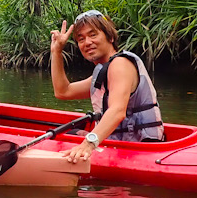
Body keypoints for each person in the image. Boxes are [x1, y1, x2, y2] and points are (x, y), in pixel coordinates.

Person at [50, 9, 163, 163]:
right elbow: (63, 91)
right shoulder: (104, 70)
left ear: (110, 37)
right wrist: (56, 51)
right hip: (120, 142)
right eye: (81, 38)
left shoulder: (120, 64)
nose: (87, 42)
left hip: (141, 149)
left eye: (93, 34)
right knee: (73, 133)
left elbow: (117, 111)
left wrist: (87, 145)